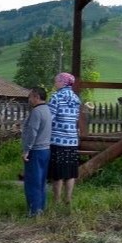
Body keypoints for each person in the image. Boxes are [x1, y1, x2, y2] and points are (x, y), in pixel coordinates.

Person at [47, 72, 81, 206]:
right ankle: (68, 200)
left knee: (57, 173)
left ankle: (56, 201)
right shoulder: (76, 98)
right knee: (70, 172)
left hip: (58, 139)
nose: (55, 83)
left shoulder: (56, 97)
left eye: (56, 81)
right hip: (72, 140)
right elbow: (76, 119)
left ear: (63, 82)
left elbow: (49, 118)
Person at [21, 86, 51, 217]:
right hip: (45, 149)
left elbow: (32, 132)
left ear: (36, 97)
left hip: (36, 150)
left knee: (33, 181)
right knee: (41, 181)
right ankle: (41, 208)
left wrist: (26, 150)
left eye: (30, 96)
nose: (29, 99)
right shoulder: (47, 110)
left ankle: (34, 211)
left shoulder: (37, 112)